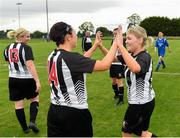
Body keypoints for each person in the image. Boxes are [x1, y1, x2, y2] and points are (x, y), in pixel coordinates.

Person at [47, 22, 118, 137]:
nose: (76, 37)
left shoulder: (53, 55)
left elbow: (79, 61)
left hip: (54, 110)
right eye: (74, 33)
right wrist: (116, 44)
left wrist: (95, 46)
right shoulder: (71, 58)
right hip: (74, 113)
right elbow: (105, 65)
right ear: (68, 37)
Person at [115, 25, 157, 137]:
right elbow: (113, 59)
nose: (126, 41)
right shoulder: (132, 56)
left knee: (126, 131)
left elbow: (136, 68)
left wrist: (120, 46)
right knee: (141, 133)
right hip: (141, 102)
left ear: (140, 40)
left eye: (129, 38)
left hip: (140, 103)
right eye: (126, 38)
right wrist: (98, 46)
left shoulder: (144, 57)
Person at [4, 28, 41, 133]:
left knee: (18, 104)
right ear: (20, 37)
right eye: (27, 36)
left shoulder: (7, 48)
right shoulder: (26, 48)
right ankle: (32, 122)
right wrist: (37, 80)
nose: (29, 38)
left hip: (13, 79)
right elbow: (30, 65)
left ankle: (25, 128)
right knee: (34, 99)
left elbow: (9, 62)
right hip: (27, 79)